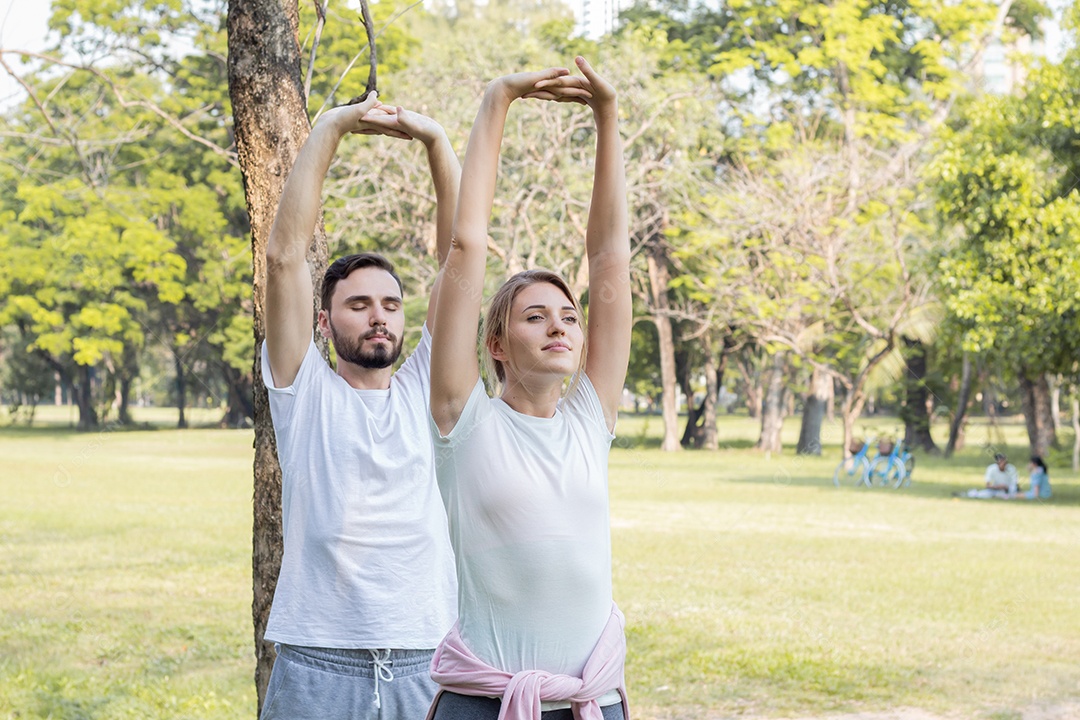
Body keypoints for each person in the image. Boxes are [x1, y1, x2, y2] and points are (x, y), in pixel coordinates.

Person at [426, 57, 631, 720]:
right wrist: (496, 103)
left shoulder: (589, 420)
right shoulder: (466, 422)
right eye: (534, 316)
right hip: (488, 706)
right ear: (495, 344)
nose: (560, 327)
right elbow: (466, 246)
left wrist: (607, 116)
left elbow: (609, 258)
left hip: (589, 702)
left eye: (569, 317)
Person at [259, 93, 459, 720]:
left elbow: (461, 263)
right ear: (324, 321)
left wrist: (437, 144)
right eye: (359, 304)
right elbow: (284, 256)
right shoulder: (305, 390)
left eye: (391, 305)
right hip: (319, 662)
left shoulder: (428, 386)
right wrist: (332, 126)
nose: (379, 316)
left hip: (428, 658)